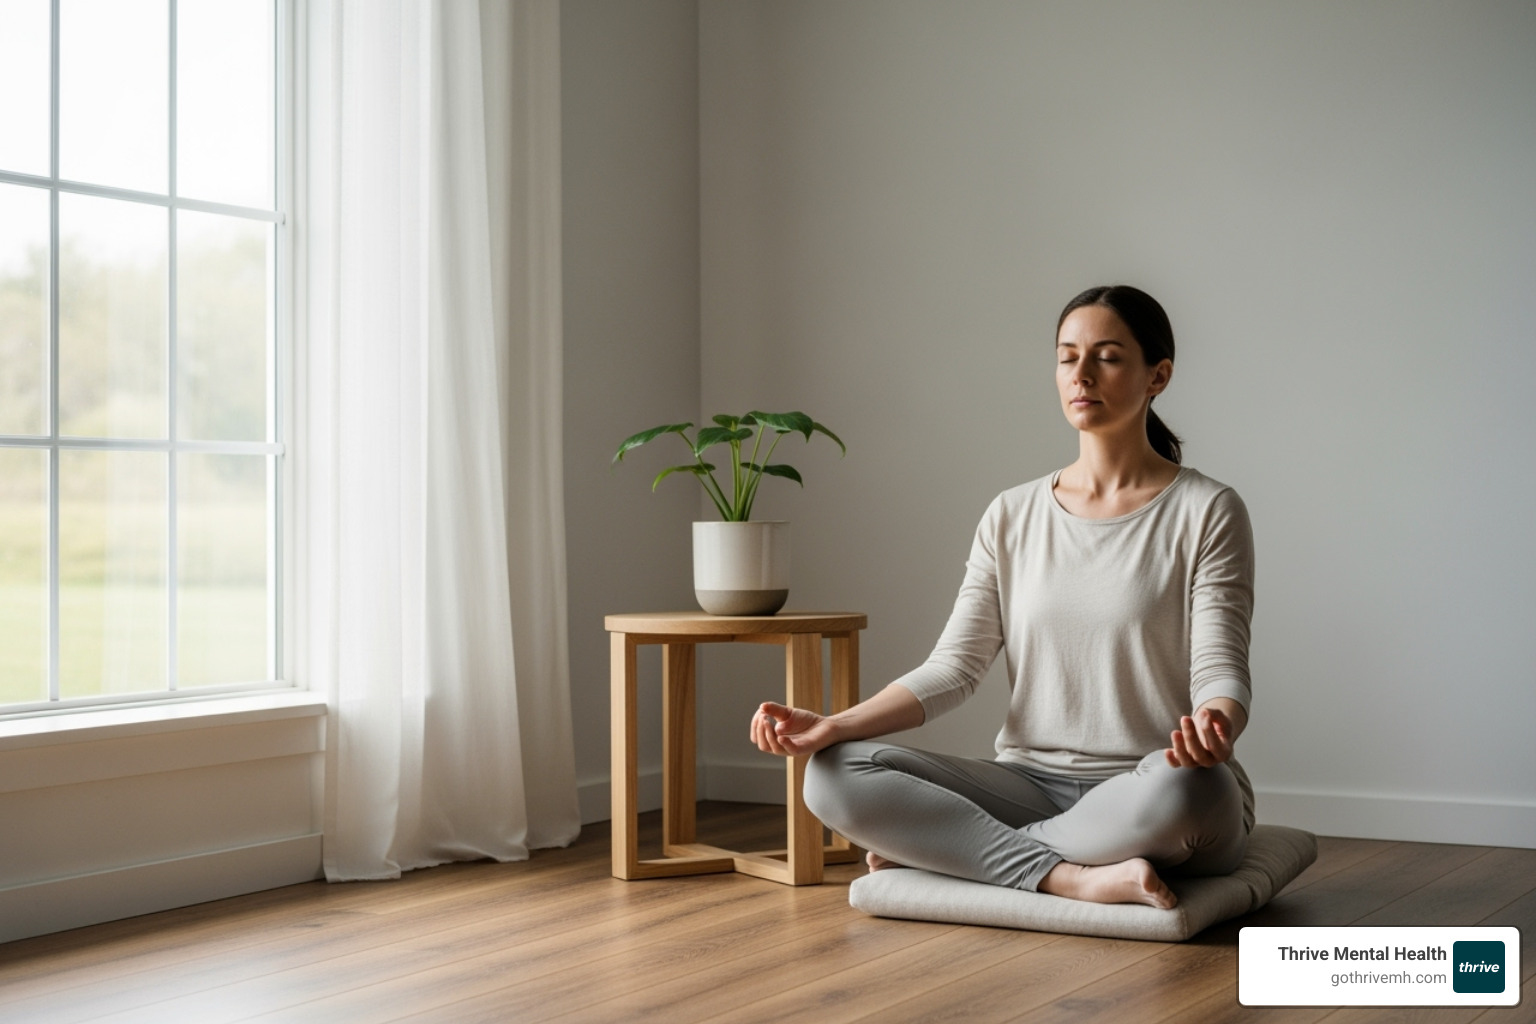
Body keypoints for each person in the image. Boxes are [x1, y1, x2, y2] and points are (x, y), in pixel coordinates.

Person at [748, 285, 1254, 909]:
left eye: (1107, 357)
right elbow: (954, 668)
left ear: (1159, 375)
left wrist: (1217, 724)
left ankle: (954, 852)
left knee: (1197, 792)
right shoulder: (1012, 514)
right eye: (1067, 357)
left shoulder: (1208, 509)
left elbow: (1219, 667)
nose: (1082, 374)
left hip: (1151, 784)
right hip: (1029, 786)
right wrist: (833, 724)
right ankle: (1067, 876)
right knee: (832, 773)